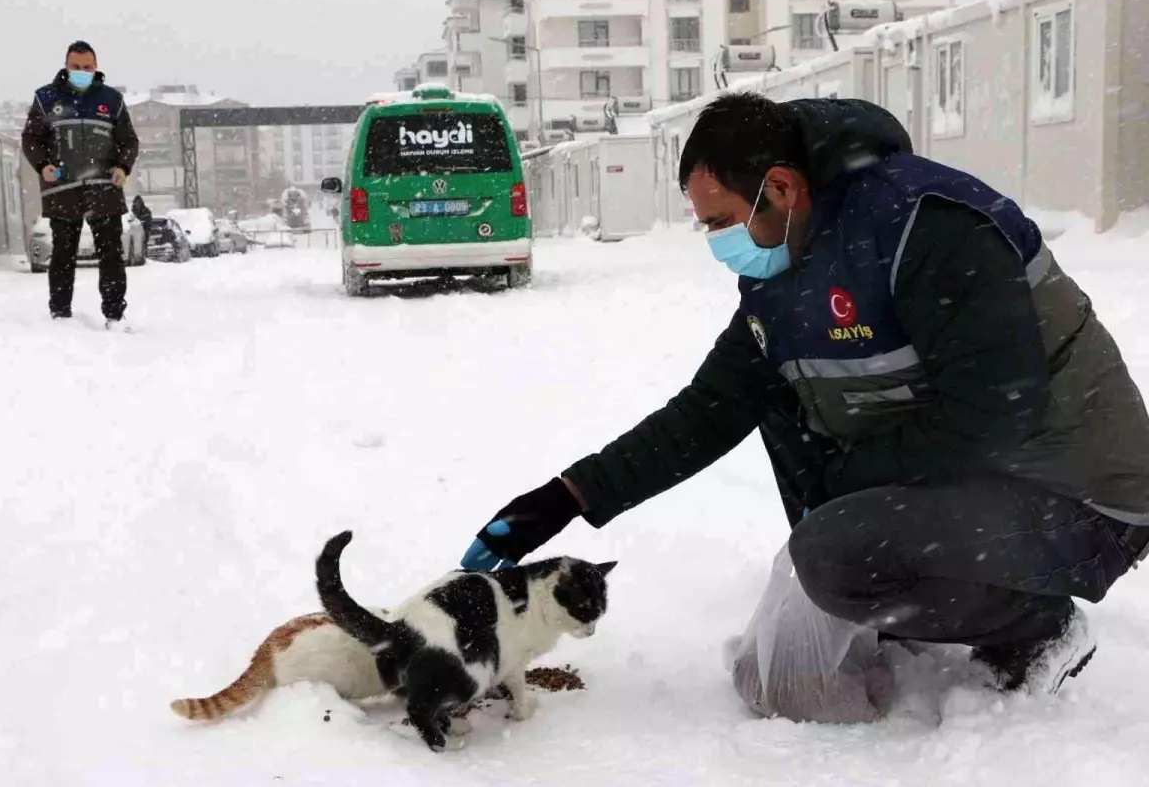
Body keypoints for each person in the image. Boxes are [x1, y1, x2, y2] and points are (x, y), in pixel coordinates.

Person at [462, 92, 1149, 705]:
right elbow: (709, 408)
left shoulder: (928, 227)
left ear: (782, 188)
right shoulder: (787, 269)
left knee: (830, 552)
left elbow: (996, 414)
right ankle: (903, 587)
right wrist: (564, 499)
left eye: (721, 220)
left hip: (1083, 499)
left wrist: (846, 490)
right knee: (785, 410)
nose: (716, 242)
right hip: (987, 486)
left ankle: (1036, 625)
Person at [22, 40, 139, 327]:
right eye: (76, 67)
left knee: (111, 255)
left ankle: (114, 315)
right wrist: (43, 166)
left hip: (104, 190)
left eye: (87, 67)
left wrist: (123, 167)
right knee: (63, 254)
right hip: (63, 190)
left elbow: (128, 141)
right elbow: (31, 139)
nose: (82, 72)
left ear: (96, 67)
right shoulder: (46, 99)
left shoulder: (112, 100)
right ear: (66, 66)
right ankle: (60, 315)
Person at [131, 194, 153, 259]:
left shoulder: (146, 211)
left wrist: (146, 232)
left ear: (141, 203)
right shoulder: (132, 211)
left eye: (138, 202)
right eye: (136, 202)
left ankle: (144, 257)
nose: (137, 204)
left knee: (143, 245)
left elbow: (149, 222)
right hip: (135, 232)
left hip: (144, 231)